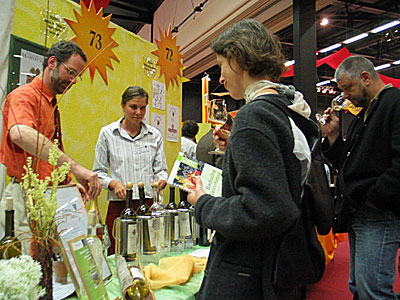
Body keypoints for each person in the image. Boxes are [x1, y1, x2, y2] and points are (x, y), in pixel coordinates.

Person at [187, 19, 313, 299]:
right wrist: (238, 144)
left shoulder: (253, 116)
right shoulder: (286, 110)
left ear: (238, 58)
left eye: (221, 65)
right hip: (275, 267)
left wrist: (203, 203)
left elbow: (265, 210)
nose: (220, 78)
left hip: (249, 273)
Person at [0, 40, 102, 253]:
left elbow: (47, 156)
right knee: (30, 267)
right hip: (24, 197)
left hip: (47, 197)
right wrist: (76, 168)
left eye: (77, 76)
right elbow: (20, 133)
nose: (73, 81)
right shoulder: (24, 96)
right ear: (53, 62)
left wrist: (67, 185)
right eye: (71, 72)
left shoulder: (51, 104)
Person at [320, 55, 400, 300]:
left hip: (378, 213)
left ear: (365, 77)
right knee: (360, 287)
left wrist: (374, 197)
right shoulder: (363, 115)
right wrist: (333, 137)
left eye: (347, 88)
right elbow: (347, 164)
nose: (345, 96)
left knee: (372, 291)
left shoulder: (394, 104)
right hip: (361, 211)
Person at [93, 86, 168, 255]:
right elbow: (98, 172)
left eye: (142, 108)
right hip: (119, 206)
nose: (138, 112)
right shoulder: (107, 134)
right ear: (122, 105)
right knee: (117, 254)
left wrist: (161, 180)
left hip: (147, 205)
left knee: (148, 251)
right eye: (133, 107)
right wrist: (112, 183)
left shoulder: (154, 135)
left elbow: (161, 170)